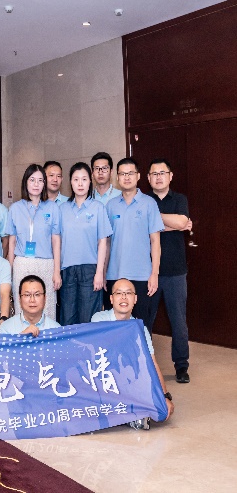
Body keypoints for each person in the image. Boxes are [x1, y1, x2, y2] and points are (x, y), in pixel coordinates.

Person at [92, 278, 176, 428]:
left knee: (162, 411)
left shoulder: (141, 329)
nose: (124, 297)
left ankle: (125, 414)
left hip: (129, 381)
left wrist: (164, 396)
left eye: (128, 293)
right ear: (111, 299)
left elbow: (152, 363)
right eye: (119, 293)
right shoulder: (99, 319)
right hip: (103, 381)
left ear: (135, 299)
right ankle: (130, 415)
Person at [146, 158, 191, 383]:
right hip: (148, 271)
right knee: (145, 321)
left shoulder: (180, 199)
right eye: (154, 174)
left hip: (175, 271)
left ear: (170, 176)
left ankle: (181, 366)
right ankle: (144, 364)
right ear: (148, 178)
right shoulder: (144, 200)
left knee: (178, 322)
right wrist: (175, 223)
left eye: (162, 173)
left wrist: (153, 219)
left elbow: (183, 223)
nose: (158, 177)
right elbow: (141, 228)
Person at [106, 157, 164, 325]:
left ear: (138, 176)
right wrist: (103, 272)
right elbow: (107, 243)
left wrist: (154, 274)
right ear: (117, 177)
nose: (126, 177)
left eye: (130, 173)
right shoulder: (110, 205)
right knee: (116, 326)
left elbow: (155, 242)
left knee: (141, 325)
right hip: (115, 274)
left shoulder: (149, 203)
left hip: (142, 276)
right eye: (122, 174)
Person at [57, 163, 112, 326]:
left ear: (90, 181)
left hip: (90, 270)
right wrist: (57, 271)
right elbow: (57, 242)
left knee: (88, 319)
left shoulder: (98, 208)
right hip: (67, 270)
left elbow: (103, 242)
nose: (80, 184)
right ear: (70, 182)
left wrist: (100, 272)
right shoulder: (62, 209)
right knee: (67, 318)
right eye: (76, 179)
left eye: (84, 179)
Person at [5, 164, 62, 320]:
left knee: (47, 309)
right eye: (32, 180)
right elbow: (12, 242)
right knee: (22, 308)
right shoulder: (15, 208)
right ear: (25, 182)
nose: (36, 184)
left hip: (46, 264)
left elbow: (56, 240)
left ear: (44, 183)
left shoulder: (53, 208)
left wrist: (57, 271)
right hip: (22, 263)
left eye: (40, 180)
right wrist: (10, 271)